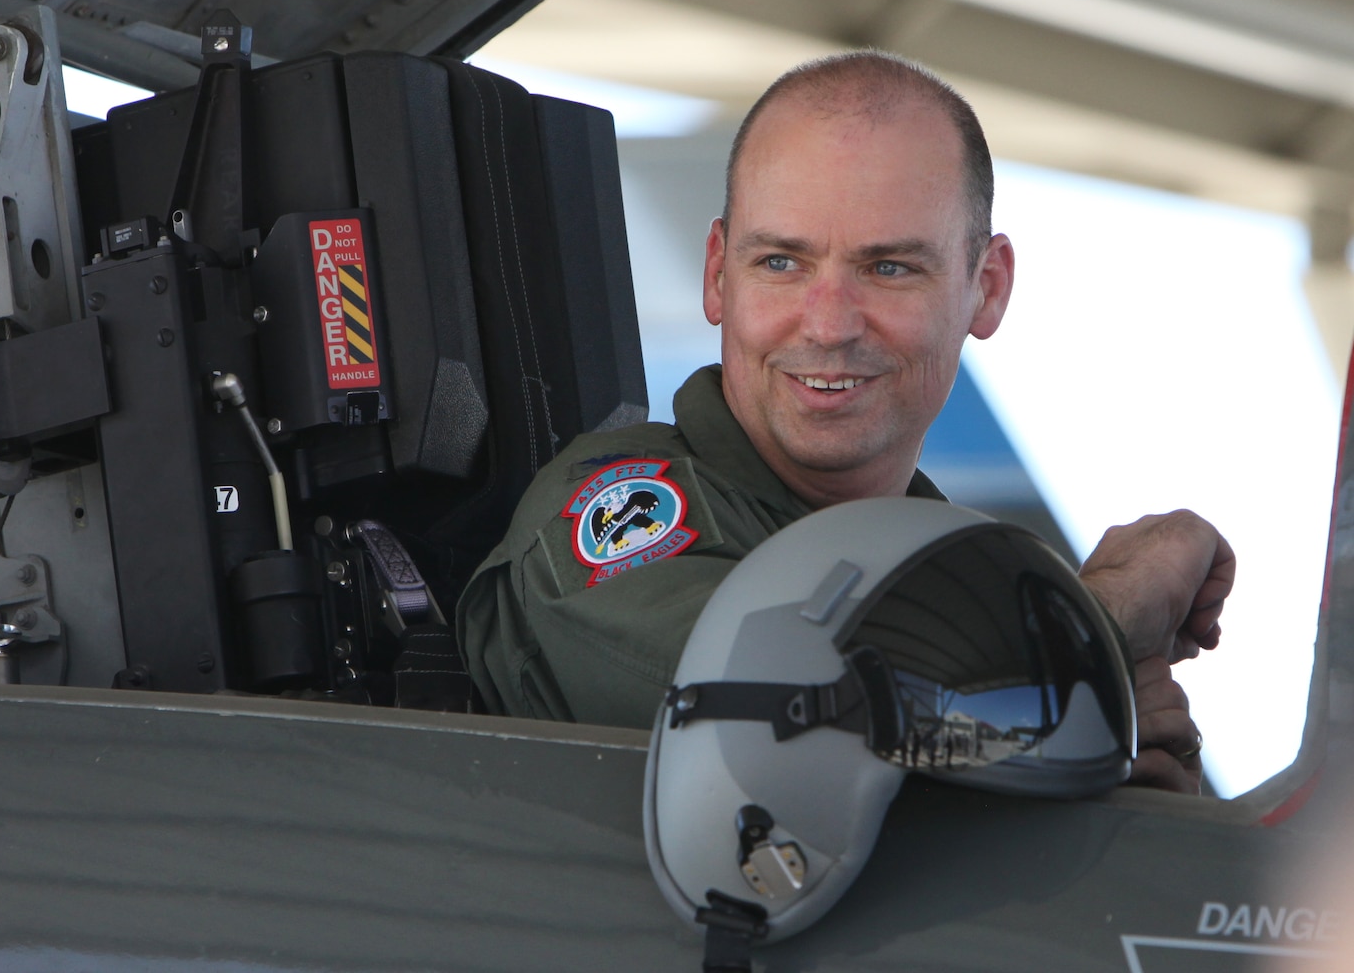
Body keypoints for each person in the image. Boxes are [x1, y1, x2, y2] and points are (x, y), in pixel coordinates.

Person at [457, 50, 1232, 795]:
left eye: (888, 268)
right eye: (781, 263)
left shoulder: (975, 577)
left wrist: (1125, 780)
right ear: (717, 277)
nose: (828, 325)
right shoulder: (614, 518)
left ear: (986, 289)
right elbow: (789, 710)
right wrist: (1104, 625)